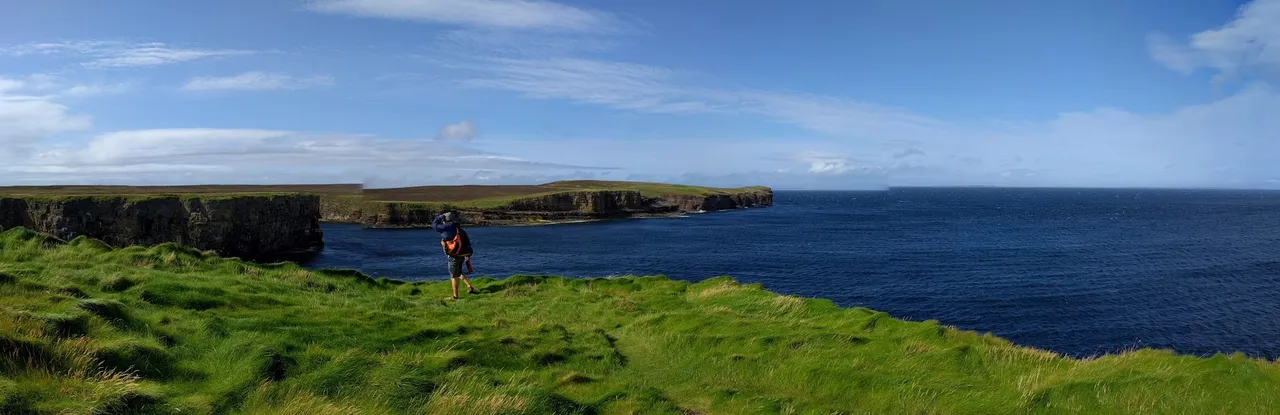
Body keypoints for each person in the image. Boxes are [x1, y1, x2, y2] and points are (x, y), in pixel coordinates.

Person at [432, 211, 477, 300]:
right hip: (462, 255)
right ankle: (470, 287)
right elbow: (467, 243)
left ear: (445, 220)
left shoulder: (445, 228)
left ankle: (455, 297)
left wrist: (440, 217)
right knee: (458, 271)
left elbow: (434, 225)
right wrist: (467, 256)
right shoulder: (460, 230)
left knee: (453, 275)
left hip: (453, 256)